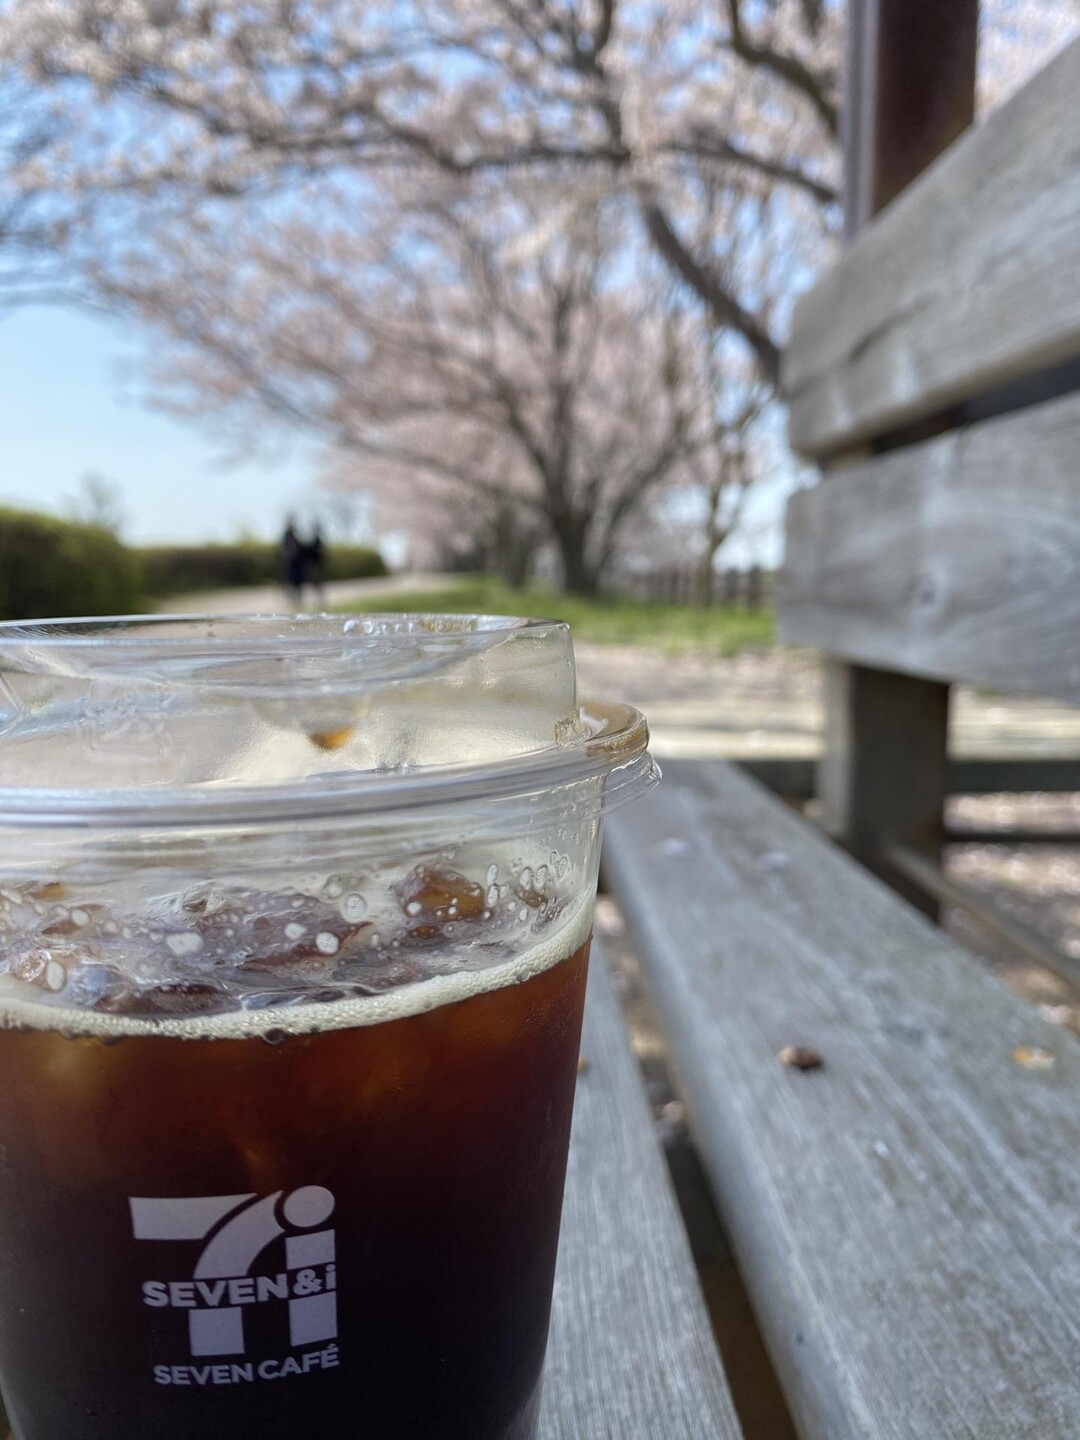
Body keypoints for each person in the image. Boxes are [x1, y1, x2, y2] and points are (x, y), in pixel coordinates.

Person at [281, 516, 306, 609]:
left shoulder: (296, 535)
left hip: (297, 563)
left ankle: (298, 598)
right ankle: (293, 598)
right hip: (291, 563)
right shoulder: (286, 535)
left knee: (298, 582)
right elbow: (284, 548)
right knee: (292, 581)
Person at [306, 524, 326, 610]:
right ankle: (317, 598)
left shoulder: (317, 541)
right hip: (315, 564)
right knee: (316, 583)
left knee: (317, 583)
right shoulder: (316, 541)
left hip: (316, 565)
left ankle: (319, 599)